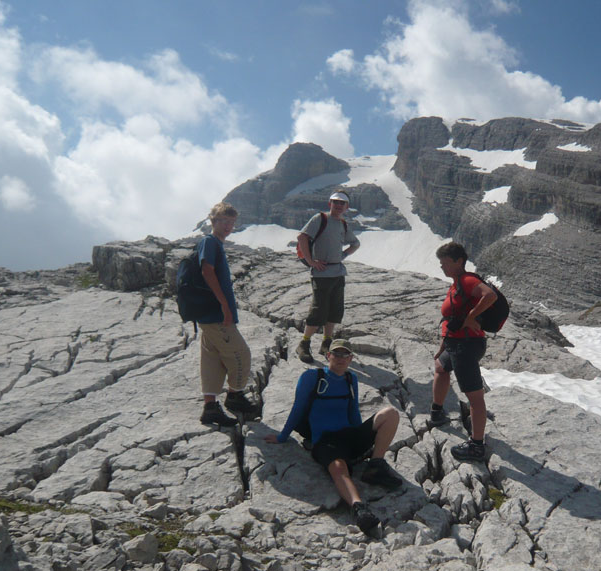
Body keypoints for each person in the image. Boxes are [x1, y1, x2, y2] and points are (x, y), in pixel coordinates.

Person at [264, 339, 401, 535]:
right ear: (328, 356)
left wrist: (360, 439)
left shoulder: (350, 379)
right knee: (338, 467)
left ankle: (375, 465)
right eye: (336, 354)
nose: (340, 359)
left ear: (351, 358)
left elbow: (353, 412)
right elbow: (298, 408)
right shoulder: (312, 377)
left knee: (391, 414)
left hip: (349, 436)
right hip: (325, 441)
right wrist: (282, 436)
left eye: (345, 355)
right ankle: (359, 508)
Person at [429, 242, 497, 461]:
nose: (442, 267)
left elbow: (490, 295)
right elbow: (451, 317)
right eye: (440, 263)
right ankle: (437, 412)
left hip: (466, 346)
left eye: (445, 262)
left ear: (459, 261)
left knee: (475, 396)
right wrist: (443, 344)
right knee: (441, 366)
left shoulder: (468, 281)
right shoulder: (456, 283)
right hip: (455, 344)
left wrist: (471, 317)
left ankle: (477, 446)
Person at [197, 202, 262, 427]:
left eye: (232, 222)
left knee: (212, 359)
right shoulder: (210, 242)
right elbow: (207, 271)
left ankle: (210, 408)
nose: (228, 226)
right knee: (241, 354)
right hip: (216, 314)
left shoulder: (214, 244)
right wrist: (224, 305)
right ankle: (234, 397)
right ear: (213, 221)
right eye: (224, 221)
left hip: (207, 314)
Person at [295, 191, 361, 363]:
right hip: (321, 274)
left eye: (342, 203)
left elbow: (355, 243)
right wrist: (311, 261)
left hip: (337, 272)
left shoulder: (342, 224)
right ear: (329, 203)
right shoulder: (320, 219)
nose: (338, 206)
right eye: (335, 202)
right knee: (319, 309)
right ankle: (304, 344)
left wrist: (343, 255)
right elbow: (302, 237)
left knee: (335, 310)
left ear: (347, 207)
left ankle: (326, 342)